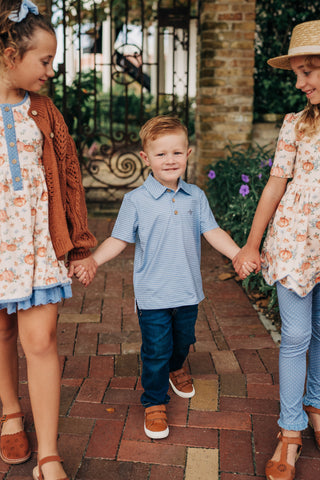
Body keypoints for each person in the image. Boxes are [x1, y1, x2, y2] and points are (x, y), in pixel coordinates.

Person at [75, 114, 255, 440]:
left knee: (183, 339)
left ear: (189, 154)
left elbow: (212, 231)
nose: (169, 160)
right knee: (156, 348)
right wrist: (94, 261)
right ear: (146, 158)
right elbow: (118, 239)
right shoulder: (136, 201)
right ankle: (154, 401)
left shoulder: (196, 197)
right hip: (153, 293)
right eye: (161, 154)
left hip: (187, 290)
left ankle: (177, 367)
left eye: (176, 152)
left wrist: (237, 253)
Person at [0, 1, 97, 479]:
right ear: (8, 54)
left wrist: (79, 245)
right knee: (1, 331)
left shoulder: (44, 112)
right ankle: (10, 413)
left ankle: (49, 454)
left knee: (40, 338)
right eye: (44, 61)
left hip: (37, 245)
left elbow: (71, 179)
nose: (51, 71)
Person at [233, 19, 320, 480]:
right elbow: (274, 184)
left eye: (309, 71)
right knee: (297, 336)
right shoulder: (295, 125)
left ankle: (316, 405)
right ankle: (290, 430)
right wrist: (251, 242)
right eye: (297, 73)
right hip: (294, 241)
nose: (300, 82)